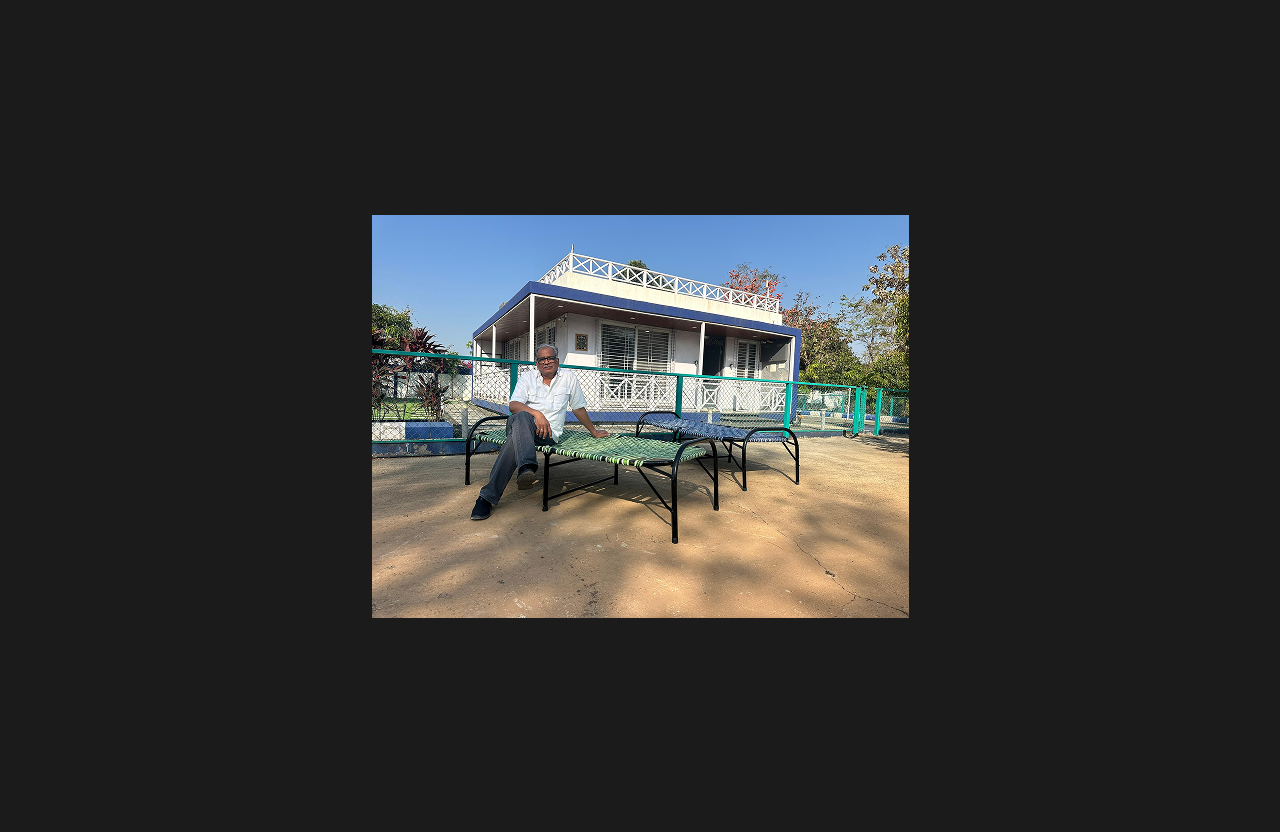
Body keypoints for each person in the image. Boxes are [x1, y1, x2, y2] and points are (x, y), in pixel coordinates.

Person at [472, 345, 610, 520]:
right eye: (542, 359)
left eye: (550, 358)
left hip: (548, 434)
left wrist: (594, 431)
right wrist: (537, 414)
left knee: (514, 441)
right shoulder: (527, 378)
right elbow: (513, 405)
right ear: (536, 363)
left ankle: (486, 497)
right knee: (521, 416)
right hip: (522, 424)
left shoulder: (569, 378)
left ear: (557, 361)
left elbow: (578, 408)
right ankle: (527, 466)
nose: (546, 362)